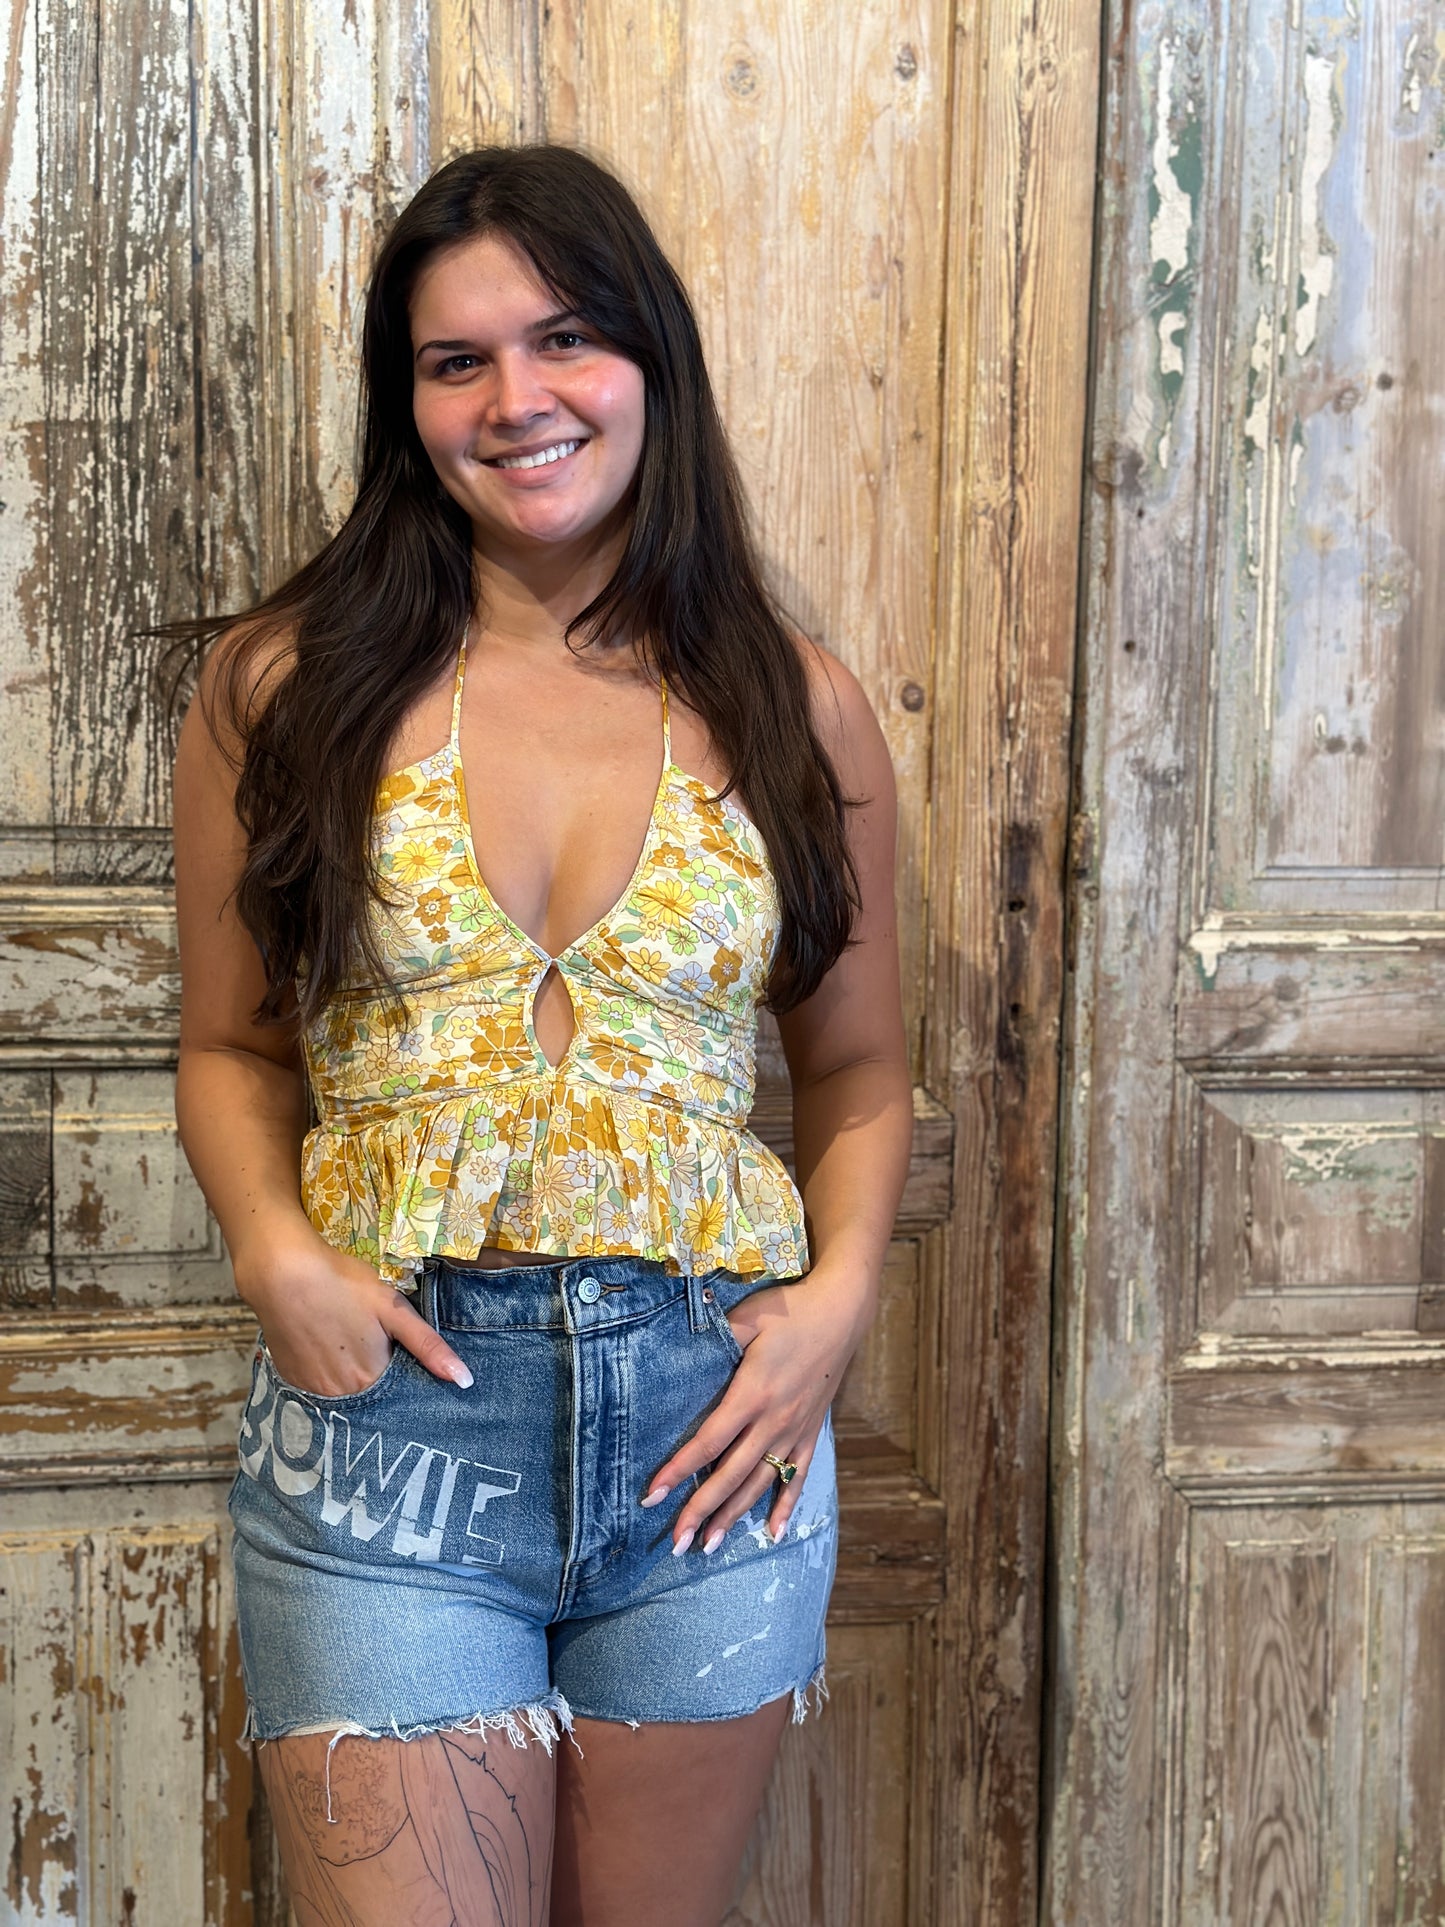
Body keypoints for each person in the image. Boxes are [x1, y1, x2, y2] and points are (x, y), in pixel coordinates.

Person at [171, 143, 910, 1926]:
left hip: (709, 1430)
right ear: (407, 400)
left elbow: (857, 1068)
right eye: (458, 361)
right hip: (394, 1435)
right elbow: (230, 1047)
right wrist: (274, 1255)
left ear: (649, 360)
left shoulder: (791, 704)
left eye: (565, 338)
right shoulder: (286, 686)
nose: (518, 400)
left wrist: (834, 1309)